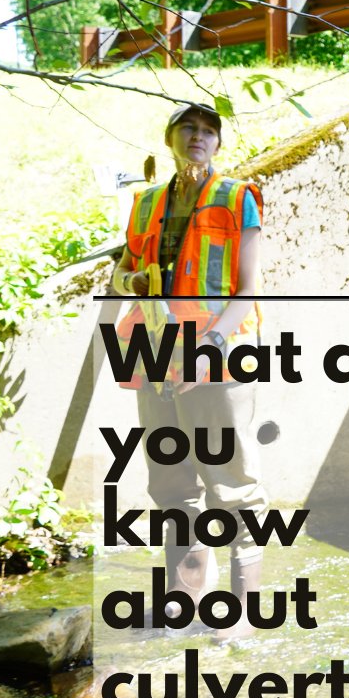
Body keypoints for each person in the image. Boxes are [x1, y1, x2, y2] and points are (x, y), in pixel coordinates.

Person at [111, 102, 267, 643]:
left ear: (217, 144)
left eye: (208, 131)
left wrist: (213, 343)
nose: (198, 137)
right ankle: (186, 602)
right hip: (155, 354)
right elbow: (123, 272)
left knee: (231, 486)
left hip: (216, 356)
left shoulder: (236, 197)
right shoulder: (146, 202)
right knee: (171, 483)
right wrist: (130, 283)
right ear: (171, 138)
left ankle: (242, 611)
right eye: (188, 128)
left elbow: (248, 290)